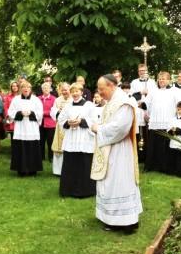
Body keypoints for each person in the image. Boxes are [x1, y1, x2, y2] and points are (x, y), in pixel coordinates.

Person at [90, 74, 142, 234]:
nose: (99, 92)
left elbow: (120, 128)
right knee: (110, 182)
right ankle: (111, 218)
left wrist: (99, 129)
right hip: (109, 149)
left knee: (120, 182)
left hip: (120, 150)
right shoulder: (110, 102)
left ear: (111, 86)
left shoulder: (124, 103)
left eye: (101, 88)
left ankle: (126, 222)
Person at [58, 83, 96, 198]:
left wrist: (82, 121)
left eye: (77, 91)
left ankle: (85, 190)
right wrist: (68, 123)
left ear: (81, 92)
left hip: (84, 138)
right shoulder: (68, 106)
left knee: (84, 164)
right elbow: (61, 119)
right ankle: (68, 189)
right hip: (71, 138)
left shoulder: (89, 105)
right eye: (73, 91)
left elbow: (94, 121)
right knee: (70, 164)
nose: (75, 94)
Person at [143, 71, 177, 173]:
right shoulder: (153, 91)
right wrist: (143, 105)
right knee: (154, 145)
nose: (161, 80)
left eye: (164, 79)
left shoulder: (173, 92)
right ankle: (152, 166)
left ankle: (166, 167)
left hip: (167, 122)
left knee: (166, 146)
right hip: (155, 121)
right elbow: (146, 103)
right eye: (160, 79)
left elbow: (179, 105)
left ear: (169, 80)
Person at [8, 81, 43, 176]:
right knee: (21, 148)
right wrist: (20, 113)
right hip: (20, 127)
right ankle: (21, 170)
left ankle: (33, 170)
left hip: (32, 128)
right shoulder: (16, 99)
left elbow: (40, 113)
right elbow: (10, 112)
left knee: (32, 148)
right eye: (23, 87)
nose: (26, 89)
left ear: (30, 89)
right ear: (21, 89)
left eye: (28, 87)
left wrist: (31, 113)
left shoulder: (36, 100)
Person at [130, 64, 157, 162]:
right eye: (140, 70)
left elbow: (155, 96)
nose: (142, 72)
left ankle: (148, 154)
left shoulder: (152, 82)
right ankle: (139, 155)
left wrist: (148, 94)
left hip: (148, 109)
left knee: (148, 132)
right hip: (138, 109)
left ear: (147, 71)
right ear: (138, 72)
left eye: (144, 70)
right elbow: (131, 95)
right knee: (139, 131)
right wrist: (141, 92)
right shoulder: (134, 82)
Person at [50, 82, 72, 176]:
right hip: (60, 127)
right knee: (58, 148)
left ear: (69, 90)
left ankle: (68, 170)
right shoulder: (58, 100)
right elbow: (53, 111)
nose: (64, 92)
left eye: (66, 90)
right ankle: (58, 171)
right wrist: (58, 111)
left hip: (70, 127)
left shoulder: (73, 100)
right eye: (62, 90)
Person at [38, 82, 56, 161]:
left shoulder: (54, 99)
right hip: (40, 122)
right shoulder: (38, 98)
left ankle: (51, 157)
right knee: (41, 140)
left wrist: (43, 113)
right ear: (42, 89)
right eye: (44, 88)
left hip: (50, 123)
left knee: (50, 141)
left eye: (47, 88)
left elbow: (54, 111)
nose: (46, 89)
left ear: (50, 89)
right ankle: (41, 157)